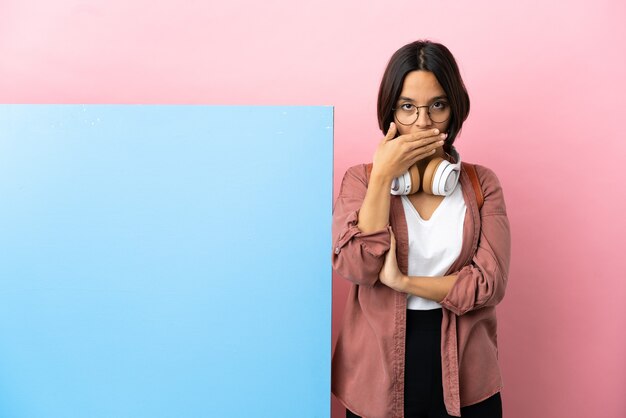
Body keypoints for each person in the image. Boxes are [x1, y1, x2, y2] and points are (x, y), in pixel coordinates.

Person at [331, 40, 511, 418]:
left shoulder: (482, 185)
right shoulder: (360, 181)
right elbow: (355, 266)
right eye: (408, 107)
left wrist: (404, 282)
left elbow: (488, 284)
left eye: (437, 106)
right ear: (391, 110)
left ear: (454, 109)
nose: (423, 122)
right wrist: (382, 177)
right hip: (377, 377)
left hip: (466, 377)